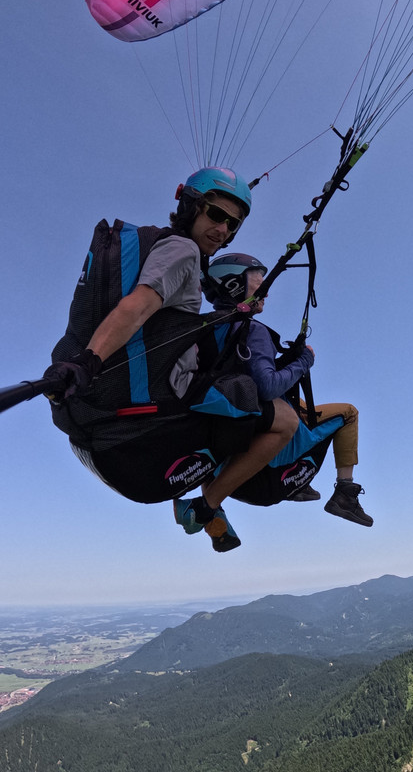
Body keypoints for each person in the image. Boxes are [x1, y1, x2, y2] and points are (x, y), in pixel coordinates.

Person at [45, 167, 299, 552]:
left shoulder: (168, 248)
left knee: (229, 397)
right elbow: (137, 306)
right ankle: (206, 507)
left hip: (103, 431)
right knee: (285, 421)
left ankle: (214, 509)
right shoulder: (183, 250)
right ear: (190, 206)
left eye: (233, 225)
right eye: (216, 215)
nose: (224, 231)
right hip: (156, 421)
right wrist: (88, 361)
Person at [204, 253, 373, 527]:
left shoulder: (208, 329)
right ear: (233, 285)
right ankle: (344, 492)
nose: (266, 291)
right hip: (266, 456)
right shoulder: (251, 331)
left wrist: (286, 362)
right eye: (259, 281)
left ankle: (298, 484)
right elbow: (268, 387)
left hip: (226, 461)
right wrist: (304, 361)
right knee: (348, 413)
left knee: (300, 404)